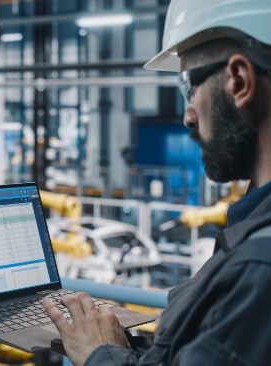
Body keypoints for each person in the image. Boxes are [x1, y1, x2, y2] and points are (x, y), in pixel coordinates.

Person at [42, 0, 271, 365]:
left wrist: (99, 355)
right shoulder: (253, 228)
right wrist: (122, 348)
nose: (188, 116)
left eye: (189, 87)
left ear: (239, 81)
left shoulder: (258, 270)